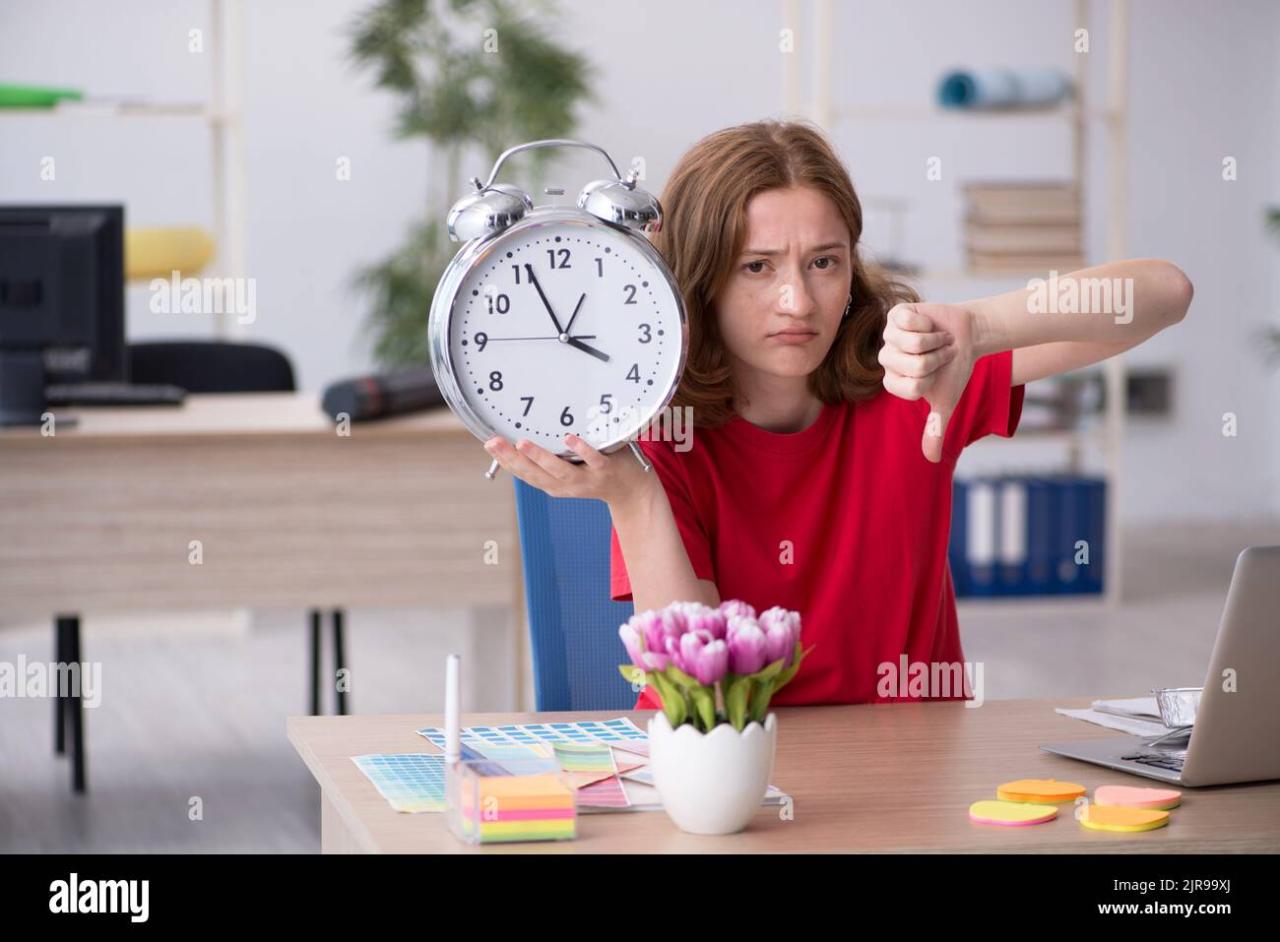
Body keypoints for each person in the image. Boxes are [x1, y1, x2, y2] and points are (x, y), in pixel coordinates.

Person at [482, 119, 1193, 709]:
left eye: (823, 262)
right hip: (727, 774)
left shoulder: (911, 377)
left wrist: (978, 325)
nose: (797, 301)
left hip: (909, 770)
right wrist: (634, 499)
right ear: (700, 279)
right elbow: (701, 699)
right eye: (756, 267)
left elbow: (1163, 293)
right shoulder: (664, 429)